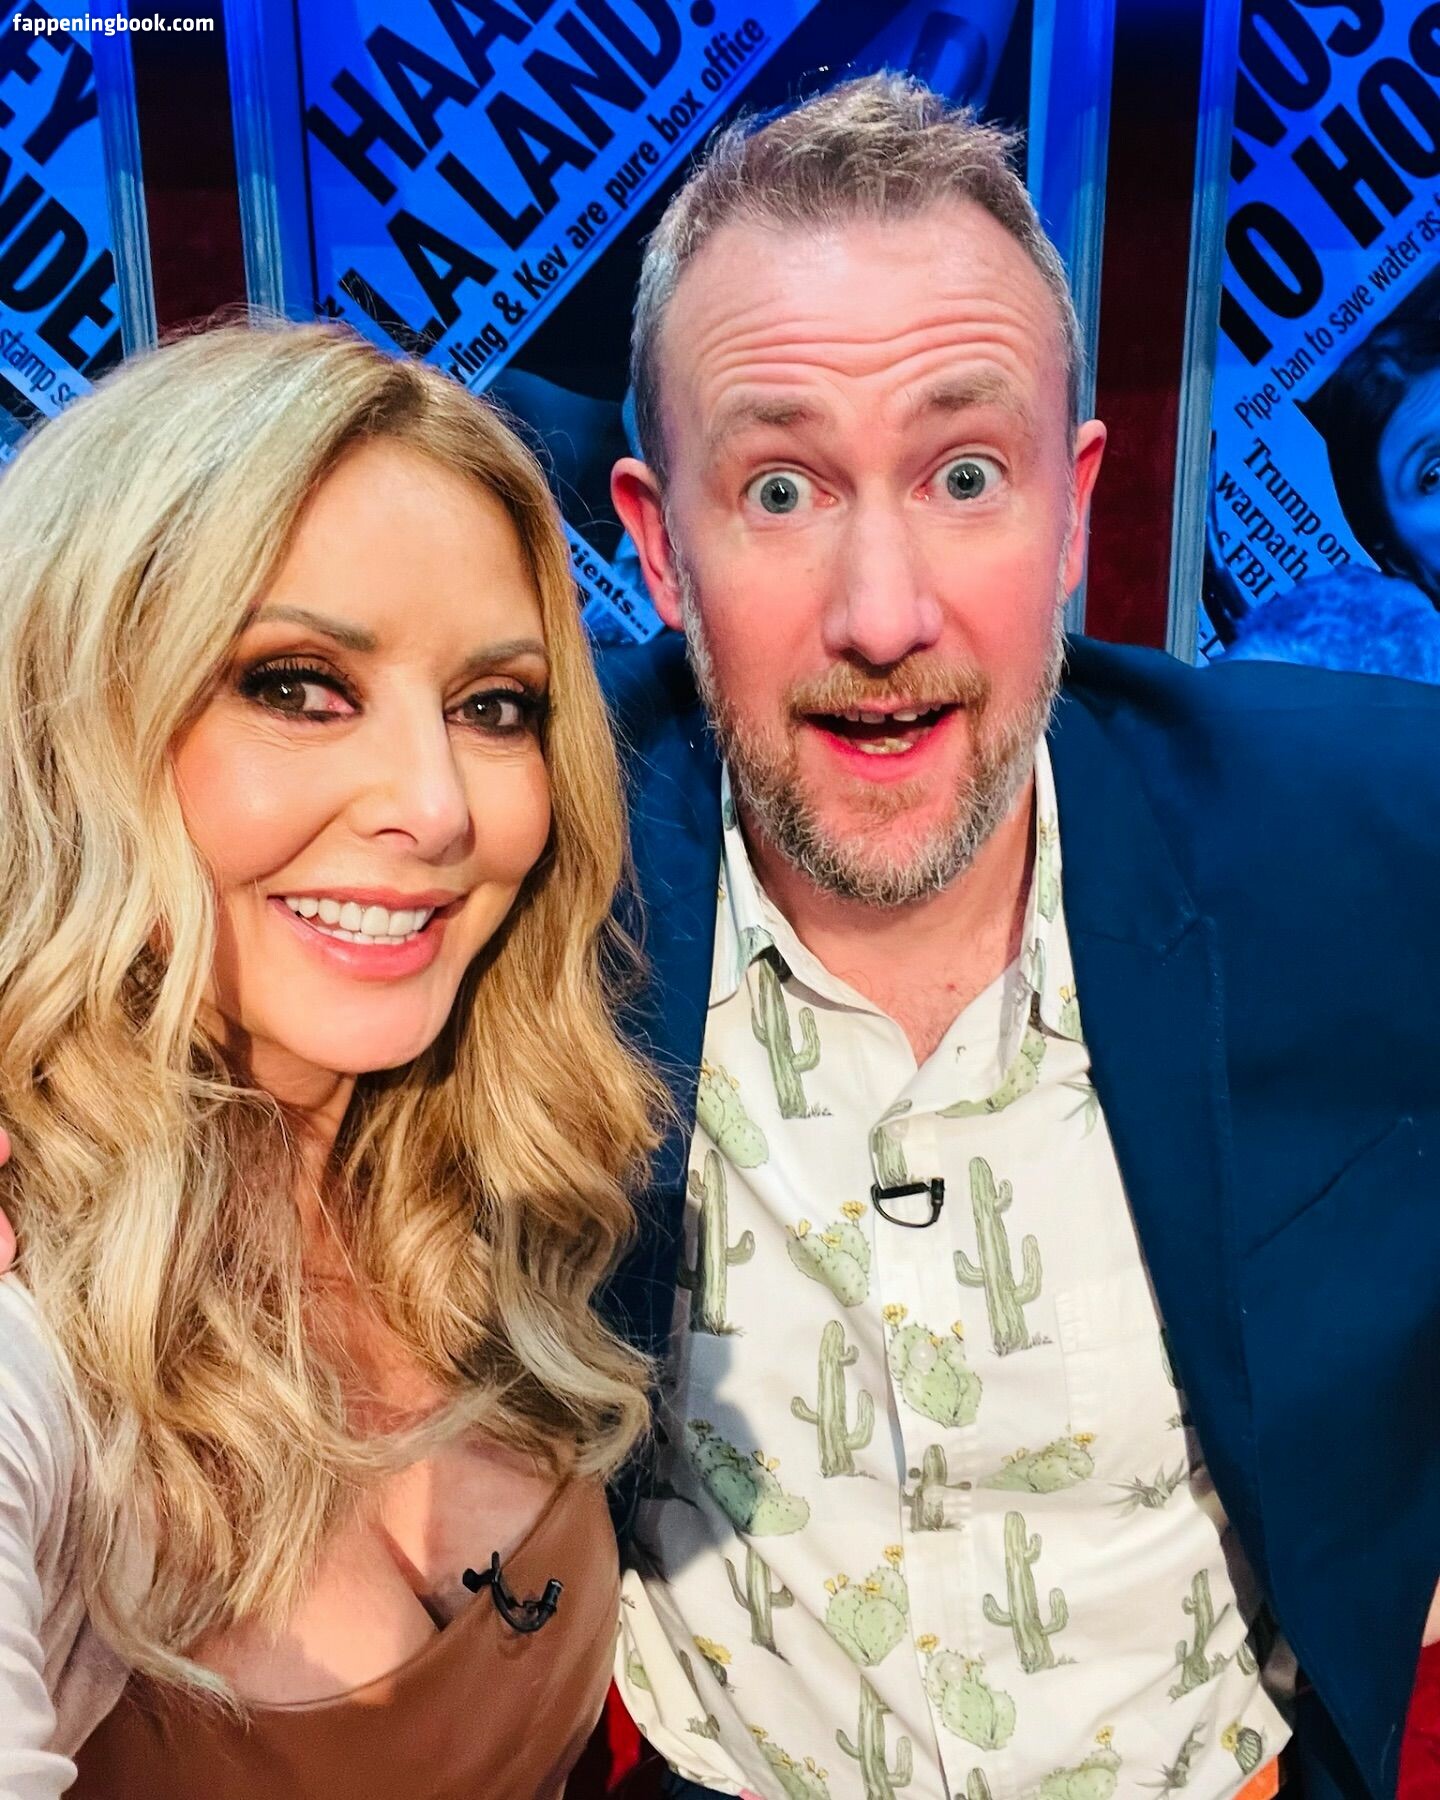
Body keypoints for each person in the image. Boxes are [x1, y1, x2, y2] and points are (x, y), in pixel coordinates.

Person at [585, 76, 1439, 1800]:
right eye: (778, 491)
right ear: (660, 549)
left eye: (966, 475)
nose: (882, 614)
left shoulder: (1350, 821)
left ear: (1074, 511)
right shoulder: (529, 846)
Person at [0, 322, 662, 1798]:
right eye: (297, 686)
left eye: (493, 708)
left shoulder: (470, 1177)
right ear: (71, 717)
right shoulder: (24, 1318)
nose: (437, 805)